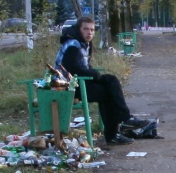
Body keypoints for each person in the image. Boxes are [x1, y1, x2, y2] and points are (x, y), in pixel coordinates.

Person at [57, 15, 143, 145]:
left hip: (77, 82)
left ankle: (120, 126)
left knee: (110, 81)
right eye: (85, 29)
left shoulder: (83, 43)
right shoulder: (72, 45)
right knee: (107, 91)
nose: (89, 32)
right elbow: (72, 69)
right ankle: (118, 127)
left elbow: (84, 66)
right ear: (78, 29)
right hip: (65, 87)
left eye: (92, 30)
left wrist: (93, 73)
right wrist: (95, 75)